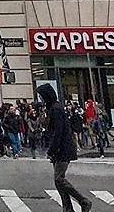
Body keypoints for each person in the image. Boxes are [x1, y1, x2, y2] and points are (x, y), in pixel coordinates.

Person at [37, 84, 92, 212]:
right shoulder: (52, 108)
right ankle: (68, 208)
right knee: (58, 181)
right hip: (59, 149)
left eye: (41, 96)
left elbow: (58, 131)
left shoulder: (56, 109)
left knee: (59, 179)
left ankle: (83, 201)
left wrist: (52, 150)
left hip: (63, 148)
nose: (40, 99)